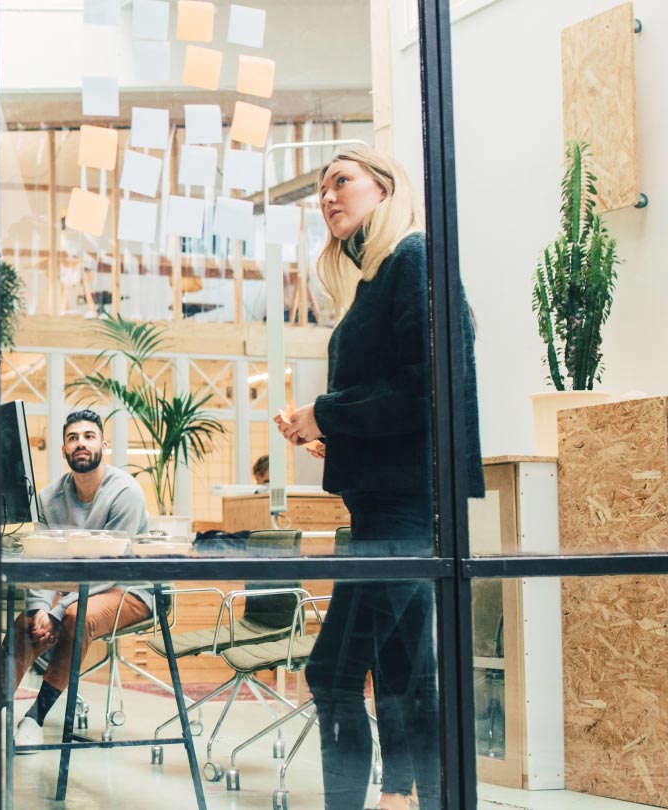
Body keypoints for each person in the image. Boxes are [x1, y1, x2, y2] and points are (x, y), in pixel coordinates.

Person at [274, 148, 481, 810]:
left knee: (331, 675)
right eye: (320, 190)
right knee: (405, 674)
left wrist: (324, 412)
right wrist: (334, 434)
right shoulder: (380, 277)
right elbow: (399, 401)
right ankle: (406, 795)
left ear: (384, 187)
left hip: (407, 514)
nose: (327, 197)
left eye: (341, 181)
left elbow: (428, 392)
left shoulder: (414, 258)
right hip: (386, 507)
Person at [9, 409, 153, 748]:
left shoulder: (125, 493)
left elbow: (109, 568)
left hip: (128, 587)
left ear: (104, 444)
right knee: (26, 623)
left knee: (75, 616)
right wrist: (41, 607)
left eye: (88, 437)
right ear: (63, 450)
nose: (81, 444)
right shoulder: (48, 498)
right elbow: (42, 560)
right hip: (74, 587)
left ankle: (35, 717)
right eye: (73, 438)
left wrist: (58, 611)